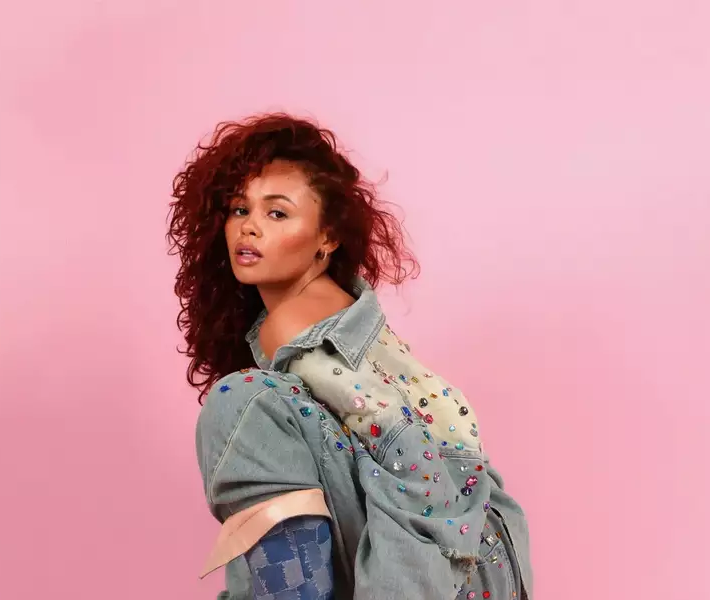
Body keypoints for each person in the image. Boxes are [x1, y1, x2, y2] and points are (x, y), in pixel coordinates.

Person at [167, 113, 533, 599]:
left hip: (451, 563)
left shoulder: (294, 324)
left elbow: (411, 461)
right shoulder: (336, 309)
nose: (250, 228)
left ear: (327, 237)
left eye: (277, 213)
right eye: (239, 210)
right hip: (484, 549)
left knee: (241, 400)